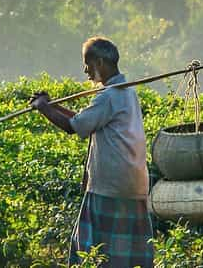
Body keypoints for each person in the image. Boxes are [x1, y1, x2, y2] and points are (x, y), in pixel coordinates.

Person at [29, 36, 153, 267]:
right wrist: (52, 105)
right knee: (127, 256)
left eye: (87, 64)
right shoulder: (124, 92)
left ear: (99, 63)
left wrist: (44, 108)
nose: (85, 71)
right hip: (132, 184)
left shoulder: (110, 96)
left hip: (111, 188)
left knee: (96, 252)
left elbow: (72, 126)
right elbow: (83, 120)